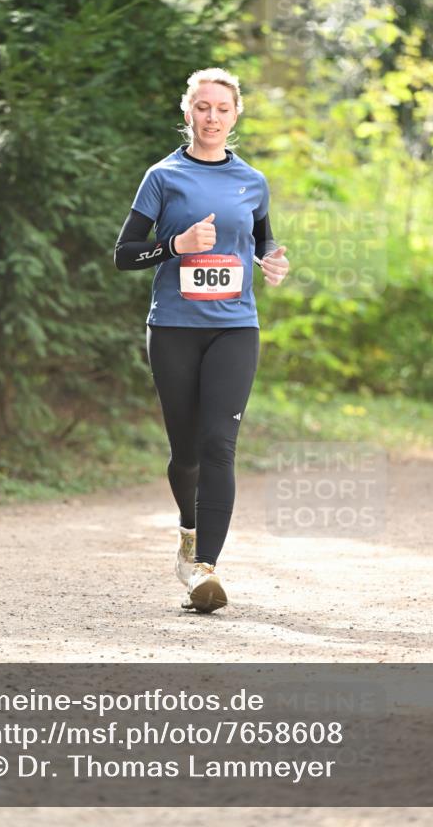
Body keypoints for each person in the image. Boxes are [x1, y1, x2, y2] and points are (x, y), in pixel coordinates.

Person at [114, 67, 290, 614]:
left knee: (220, 445)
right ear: (188, 111)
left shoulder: (252, 181)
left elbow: (262, 240)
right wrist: (176, 244)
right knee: (186, 452)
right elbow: (124, 254)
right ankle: (188, 534)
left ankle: (204, 572)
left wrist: (273, 261)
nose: (212, 117)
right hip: (173, 330)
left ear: (235, 115)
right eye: (203, 107)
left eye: (222, 108)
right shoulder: (162, 177)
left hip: (236, 326)